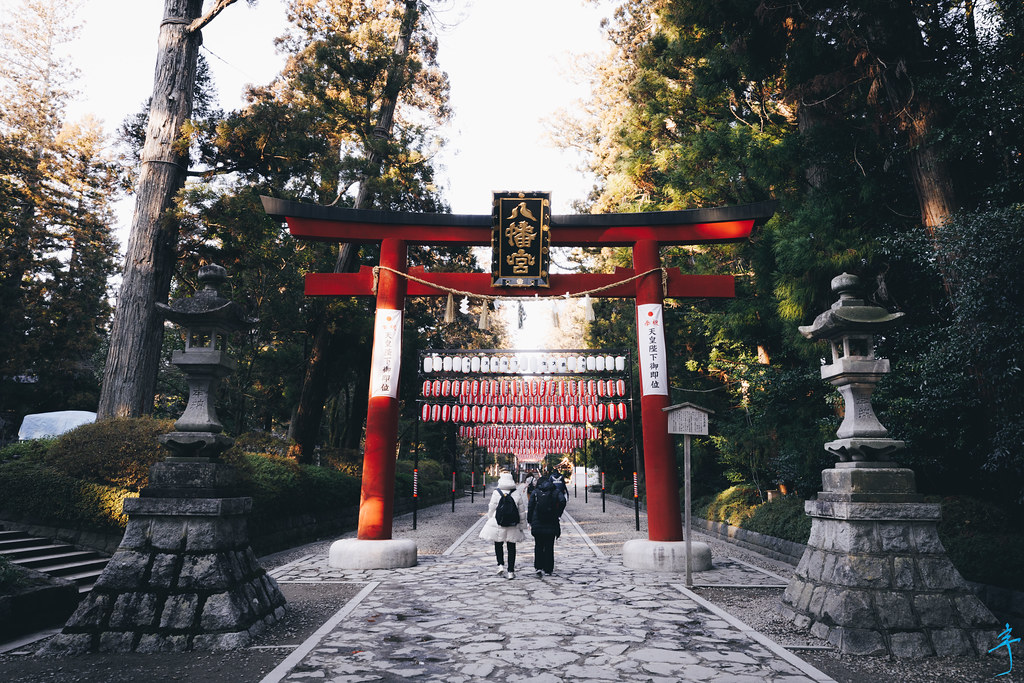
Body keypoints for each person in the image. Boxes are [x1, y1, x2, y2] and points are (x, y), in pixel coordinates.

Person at [478, 471, 528, 579]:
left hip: (499, 521)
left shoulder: (497, 492)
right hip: (513, 523)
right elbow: (521, 511)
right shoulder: (516, 492)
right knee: (511, 547)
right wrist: (523, 525)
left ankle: (500, 565)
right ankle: (511, 571)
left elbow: (492, 508)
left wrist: (491, 517)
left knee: (498, 544)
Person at [528, 473, 566, 577]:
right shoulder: (555, 491)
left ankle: (538, 567)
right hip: (551, 521)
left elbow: (530, 506)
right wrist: (558, 513)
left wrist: (530, 520)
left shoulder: (535, 492)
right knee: (549, 546)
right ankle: (548, 569)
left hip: (537, 522)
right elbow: (563, 500)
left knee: (538, 545)